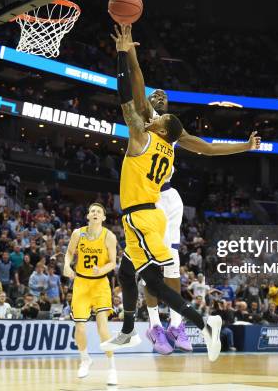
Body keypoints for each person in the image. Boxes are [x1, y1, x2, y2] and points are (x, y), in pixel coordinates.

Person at [123, 23, 261, 355]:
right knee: (149, 266)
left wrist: (244, 146)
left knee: (170, 264)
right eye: (157, 97)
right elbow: (137, 86)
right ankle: (155, 327)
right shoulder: (147, 119)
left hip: (168, 198)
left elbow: (209, 149)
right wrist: (130, 52)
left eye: (164, 98)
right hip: (147, 199)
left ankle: (176, 327)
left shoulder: (173, 131)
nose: (161, 98)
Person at [100, 25, 222, 362]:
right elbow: (139, 96)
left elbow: (128, 97)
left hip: (143, 215)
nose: (158, 110)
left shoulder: (142, 136)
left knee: (155, 283)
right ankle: (127, 331)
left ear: (161, 126)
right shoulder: (166, 147)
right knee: (127, 272)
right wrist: (129, 55)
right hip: (142, 214)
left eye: (162, 113)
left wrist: (123, 55)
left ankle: (204, 326)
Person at [63, 203, 118, 385]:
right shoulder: (78, 233)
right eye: (92, 211)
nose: (95, 213)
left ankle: (112, 368)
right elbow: (69, 253)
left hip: (100, 284)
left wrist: (101, 269)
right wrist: (66, 265)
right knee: (79, 327)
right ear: (88, 216)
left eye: (99, 212)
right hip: (81, 283)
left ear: (103, 217)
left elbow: (112, 262)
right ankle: (85, 358)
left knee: (102, 327)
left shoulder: (109, 236)